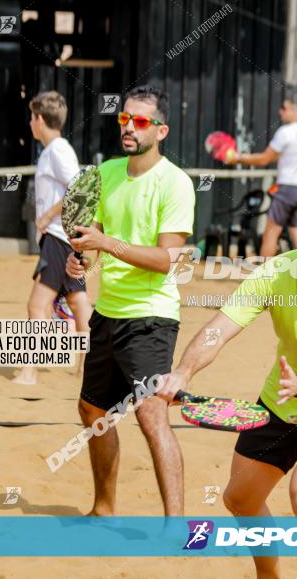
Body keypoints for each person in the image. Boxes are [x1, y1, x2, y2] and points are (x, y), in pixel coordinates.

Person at [156, 191, 297, 579]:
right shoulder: (276, 272)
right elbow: (220, 329)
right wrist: (183, 372)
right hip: (282, 396)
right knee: (240, 498)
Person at [65, 86, 196, 516]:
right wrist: (81, 258)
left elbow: (166, 261)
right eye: (124, 119)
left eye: (139, 122)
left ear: (161, 130)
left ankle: (176, 524)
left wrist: (105, 241)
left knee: (151, 416)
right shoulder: (107, 174)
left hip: (151, 318)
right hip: (108, 312)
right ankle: (103, 509)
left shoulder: (175, 182)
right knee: (92, 410)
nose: (128, 127)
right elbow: (94, 239)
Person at [14, 91, 91, 385]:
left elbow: (78, 187)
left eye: (32, 117)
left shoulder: (57, 150)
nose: (30, 123)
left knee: (37, 306)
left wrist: (47, 217)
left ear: (41, 119)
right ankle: (86, 369)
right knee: (79, 305)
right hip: (64, 239)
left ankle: (29, 371)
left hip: (58, 238)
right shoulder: (55, 150)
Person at [226, 97, 297, 258]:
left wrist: (238, 158)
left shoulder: (285, 132)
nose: (280, 112)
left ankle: (265, 276)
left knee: (270, 233)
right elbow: (283, 156)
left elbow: (264, 159)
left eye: (284, 108)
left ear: (295, 110)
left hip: (288, 189)